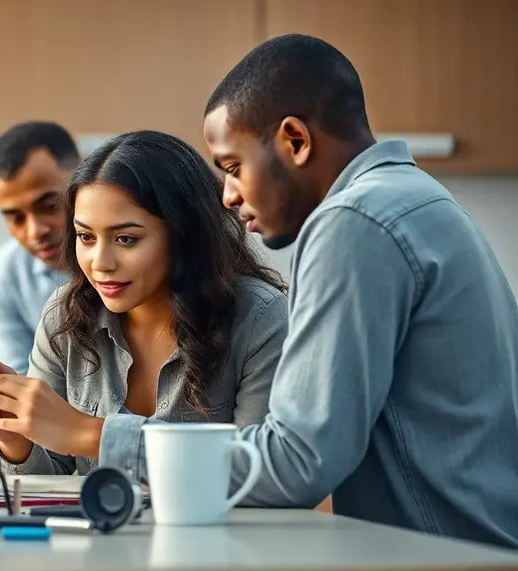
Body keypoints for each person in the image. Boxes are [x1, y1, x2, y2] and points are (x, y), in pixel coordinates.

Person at [202, 34, 518, 548]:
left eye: (233, 167)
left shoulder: (353, 223)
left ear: (295, 141)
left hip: (449, 558)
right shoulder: (418, 199)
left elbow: (297, 461)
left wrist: (107, 439)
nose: (228, 195)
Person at [0, 130, 289, 476]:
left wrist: (87, 434)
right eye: (86, 237)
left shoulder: (260, 318)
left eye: (126, 239)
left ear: (184, 235)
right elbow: (48, 481)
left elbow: (262, 473)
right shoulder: (64, 315)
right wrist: (16, 441)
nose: (100, 262)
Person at [0, 121, 80, 375]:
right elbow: (21, 377)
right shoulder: (5, 276)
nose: (35, 231)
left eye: (49, 206)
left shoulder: (133, 258)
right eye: (16, 218)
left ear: (83, 179)